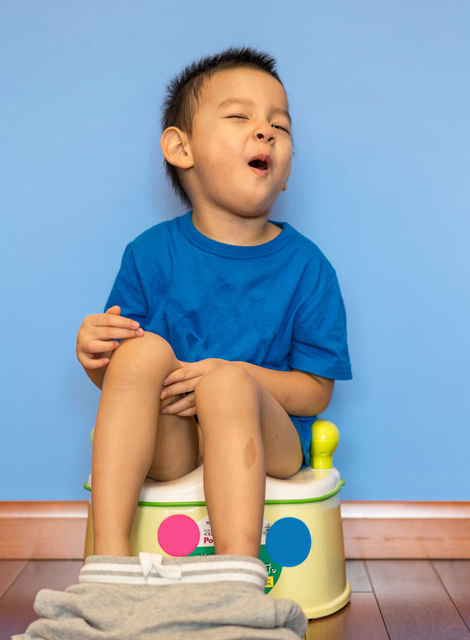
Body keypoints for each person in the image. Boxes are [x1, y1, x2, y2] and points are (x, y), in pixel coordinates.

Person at [75, 46, 352, 563]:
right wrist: (96, 356)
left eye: (280, 125)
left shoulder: (309, 268)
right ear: (181, 148)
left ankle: (238, 572)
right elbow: (122, 389)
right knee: (138, 354)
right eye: (240, 116)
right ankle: (107, 562)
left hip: (270, 443)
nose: (266, 131)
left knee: (228, 384)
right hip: (175, 438)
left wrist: (231, 376)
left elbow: (316, 392)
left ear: (286, 170)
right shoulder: (150, 254)